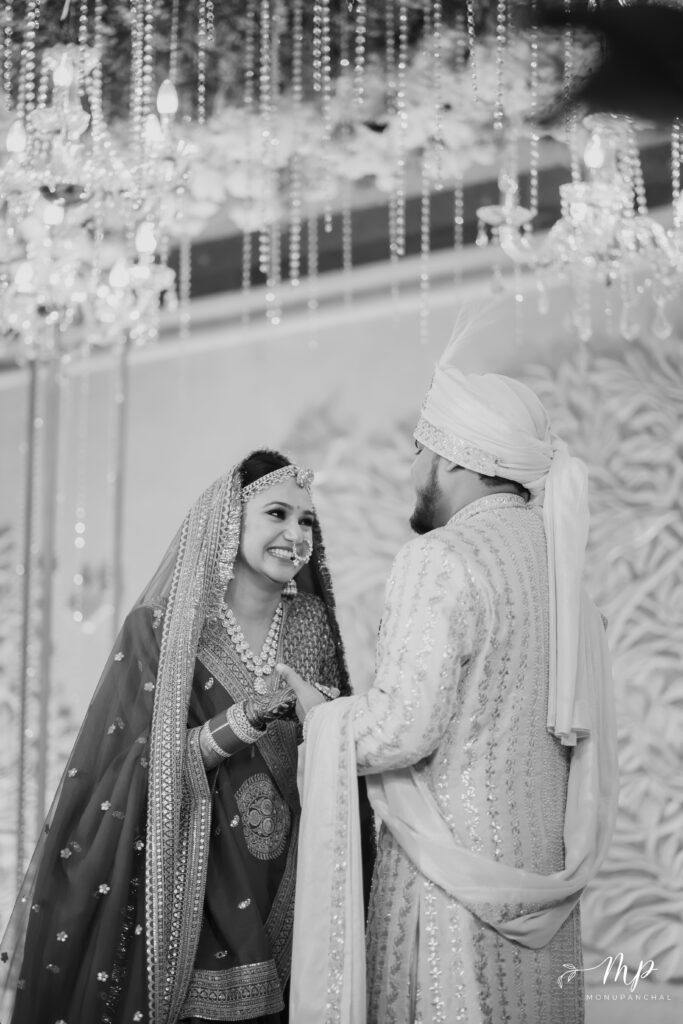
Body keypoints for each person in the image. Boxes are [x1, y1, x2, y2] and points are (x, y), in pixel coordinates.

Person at [281, 354, 619, 1024]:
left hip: (449, 898)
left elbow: (402, 728)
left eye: (419, 451)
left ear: (456, 459)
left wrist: (321, 718)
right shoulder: (566, 584)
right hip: (543, 906)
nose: (411, 470)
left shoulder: (440, 556)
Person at [0, 449, 374, 1024]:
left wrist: (329, 722)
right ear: (229, 522)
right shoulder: (163, 629)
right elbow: (132, 770)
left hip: (293, 882)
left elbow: (333, 757)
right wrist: (244, 719)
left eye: (307, 521)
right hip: (191, 887)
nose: (296, 535)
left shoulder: (311, 625)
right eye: (277, 514)